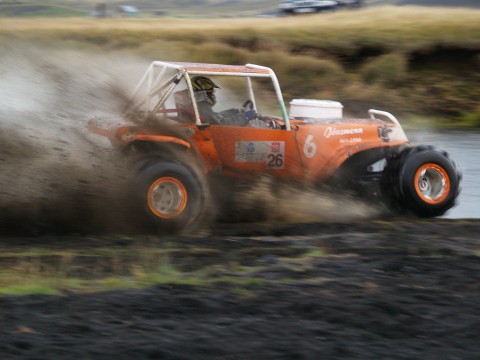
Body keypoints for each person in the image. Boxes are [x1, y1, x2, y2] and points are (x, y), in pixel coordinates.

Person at [190, 76, 257, 126]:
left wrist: (233, 111)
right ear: (203, 93)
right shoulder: (203, 108)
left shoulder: (197, 106)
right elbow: (223, 123)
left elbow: (216, 117)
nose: (213, 94)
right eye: (211, 92)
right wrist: (245, 116)